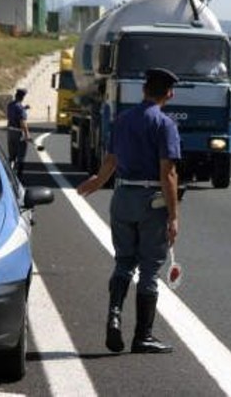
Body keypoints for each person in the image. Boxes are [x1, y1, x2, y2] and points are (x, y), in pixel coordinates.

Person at [77, 68, 181, 354]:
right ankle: (143, 336)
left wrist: (97, 181)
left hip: (122, 196)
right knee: (149, 268)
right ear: (169, 93)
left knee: (124, 262)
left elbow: (111, 159)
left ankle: (113, 317)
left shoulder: (122, 120)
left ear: (144, 91)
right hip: (151, 200)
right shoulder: (165, 124)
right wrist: (173, 216)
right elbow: (168, 173)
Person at [6, 88, 31, 177]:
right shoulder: (20, 108)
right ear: (22, 97)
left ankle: (9, 173)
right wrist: (27, 134)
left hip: (10, 131)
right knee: (20, 155)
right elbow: (22, 121)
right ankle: (19, 176)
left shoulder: (10, 105)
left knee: (11, 155)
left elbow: (14, 112)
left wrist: (25, 108)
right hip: (18, 132)